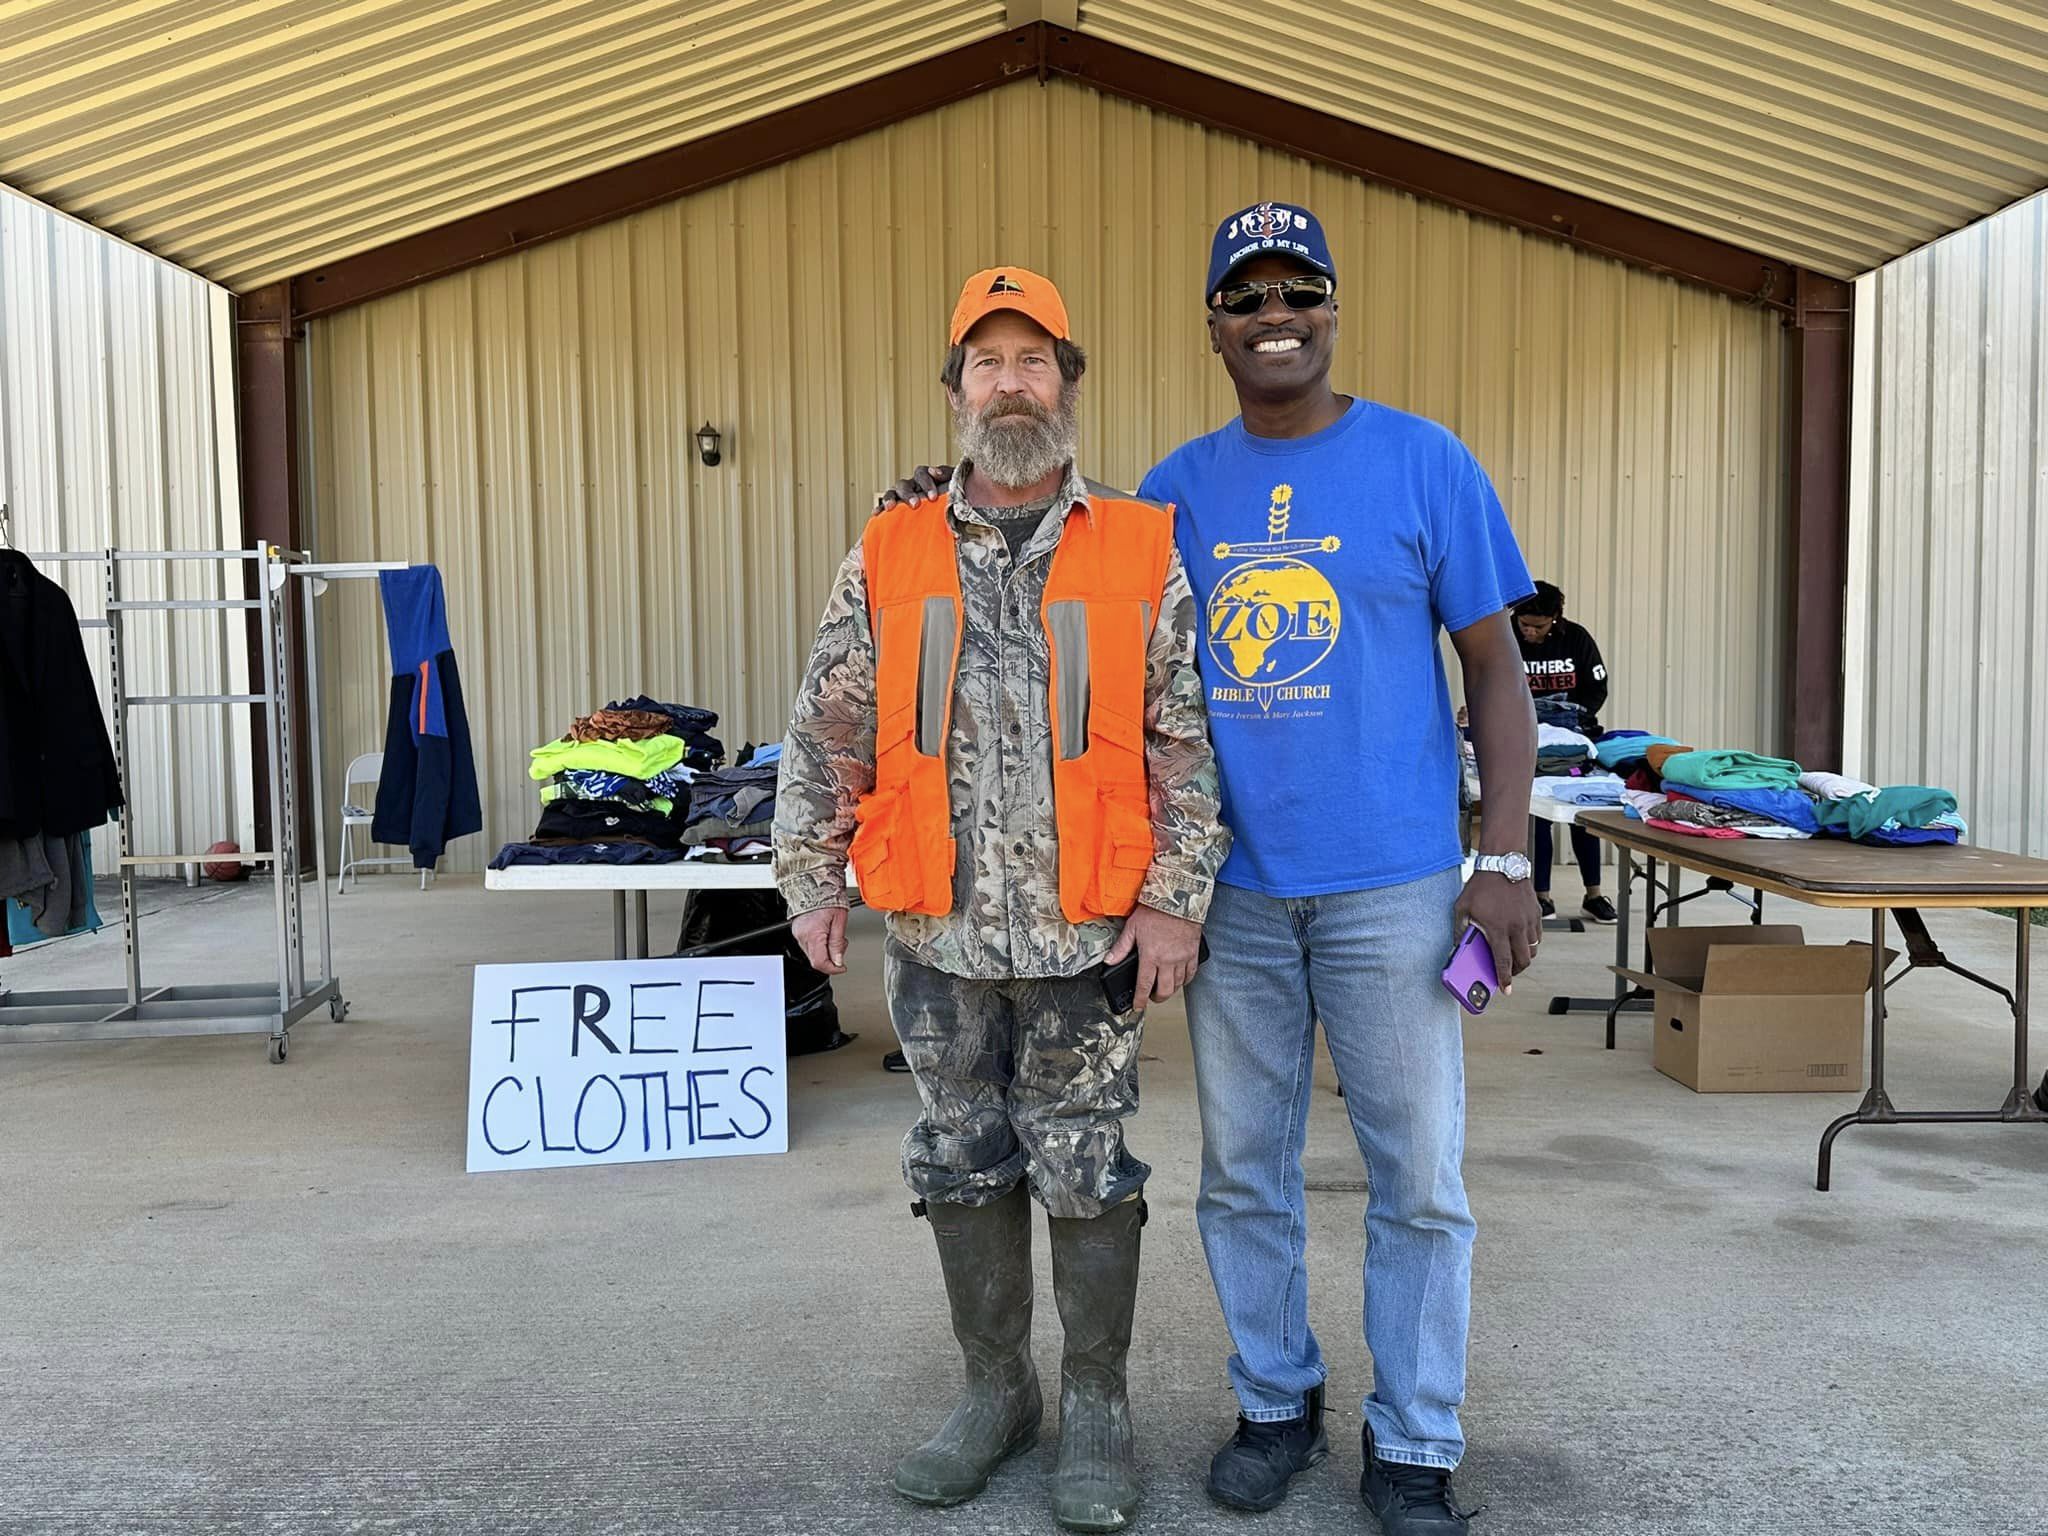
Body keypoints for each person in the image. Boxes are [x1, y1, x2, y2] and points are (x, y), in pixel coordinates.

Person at [878, 204, 1541, 1535]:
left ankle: (1414, 1440)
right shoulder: (1174, 492)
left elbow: (1496, 670)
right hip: (1232, 891)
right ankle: (1276, 1403)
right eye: (1248, 297)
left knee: (1418, 1176)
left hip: (1395, 883)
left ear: (1333, 309)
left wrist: (1505, 856)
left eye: (1299, 289)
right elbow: (1054, 560)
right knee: (1244, 1168)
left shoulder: (1425, 464)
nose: (1275, 313)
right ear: (1217, 328)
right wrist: (924, 508)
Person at [773, 265, 1228, 1534]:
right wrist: (812, 876)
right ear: (956, 391)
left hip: (1090, 929)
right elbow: (827, 728)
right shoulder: (889, 546)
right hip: (936, 928)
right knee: (960, 1159)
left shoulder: (1141, 542)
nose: (1011, 382)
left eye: (1035, 360)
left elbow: (1182, 739)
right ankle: (996, 1393)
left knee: (1087, 1166)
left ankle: (1096, 1407)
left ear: (1067, 387)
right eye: (987, 362)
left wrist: (1175, 896)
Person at [1514, 581, 1617, 924]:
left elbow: (1596, 688)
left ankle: (1594, 895)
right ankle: (1540, 896)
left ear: (1556, 619)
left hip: (1573, 740)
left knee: (1580, 813)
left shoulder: (1577, 639)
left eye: (1537, 626)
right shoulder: (1508, 639)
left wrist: (1570, 719)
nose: (1528, 631)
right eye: (1523, 623)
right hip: (1526, 739)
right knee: (1539, 815)